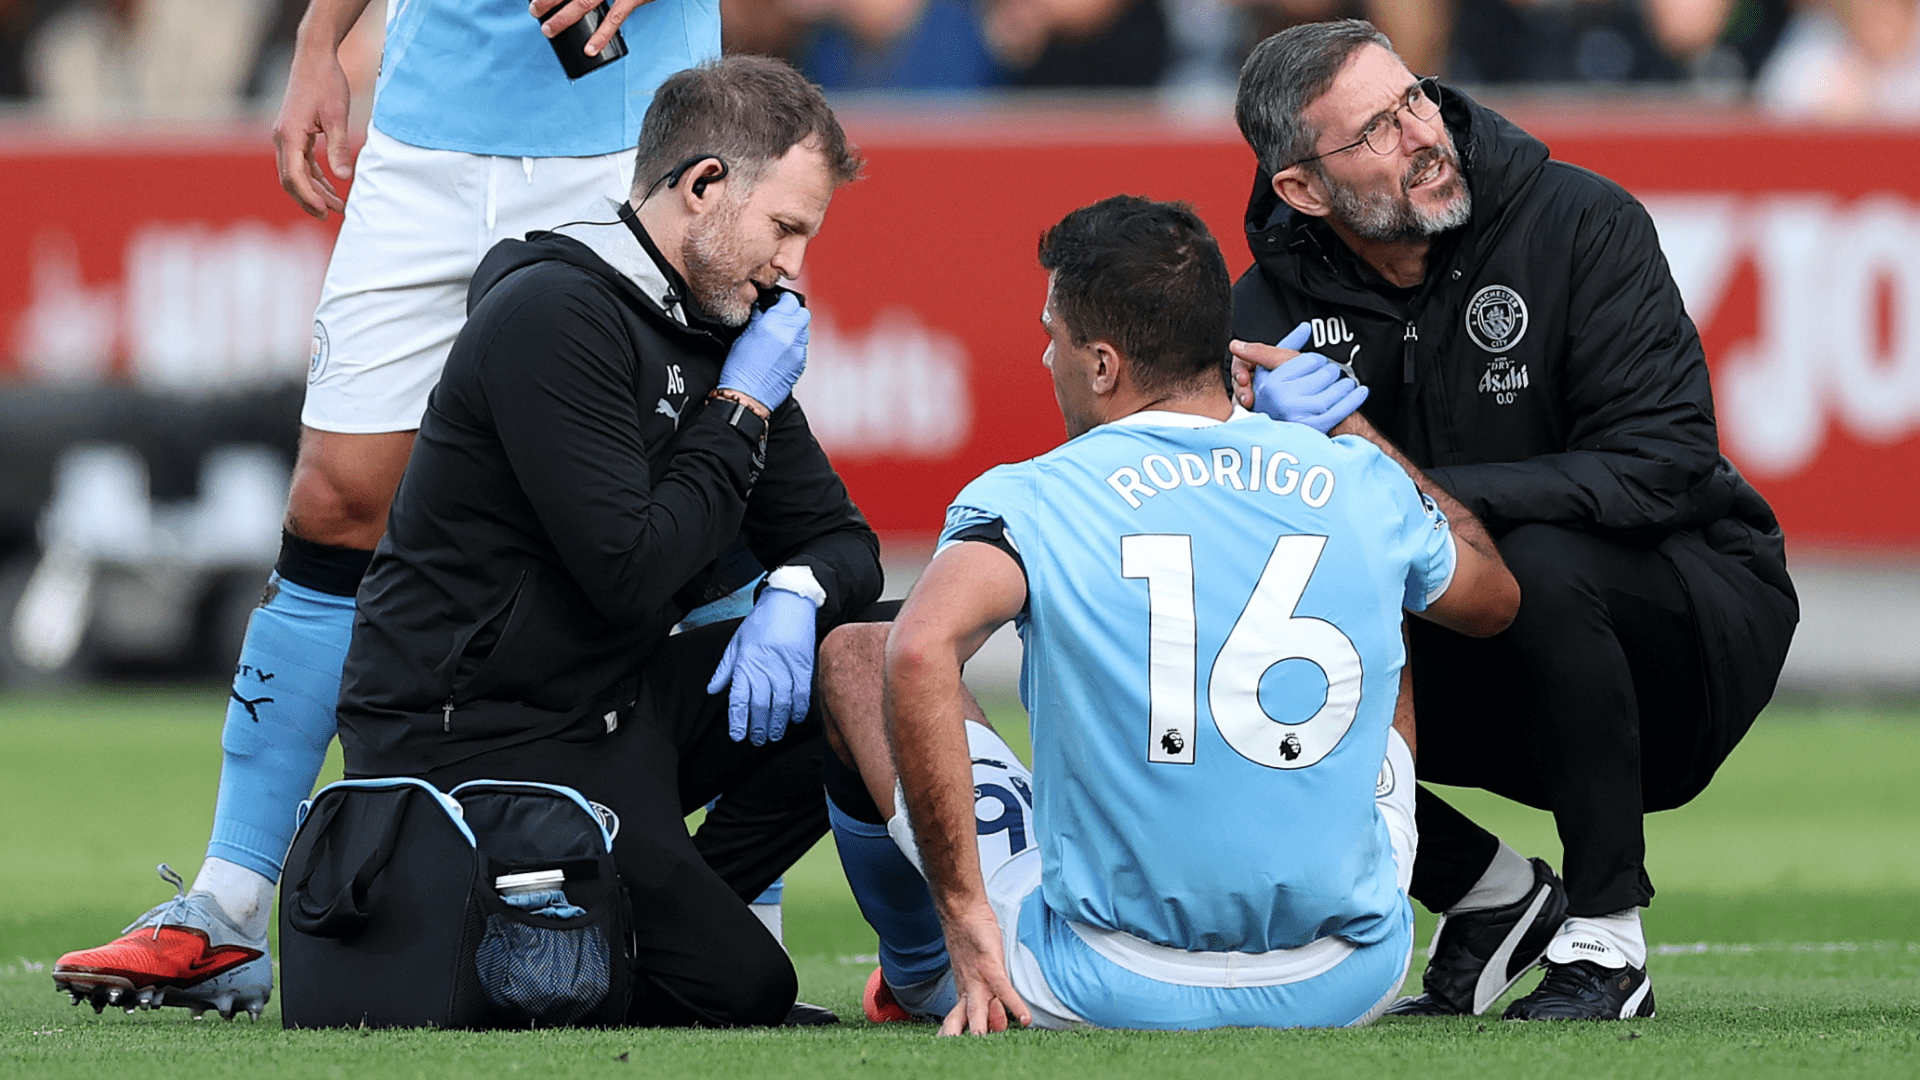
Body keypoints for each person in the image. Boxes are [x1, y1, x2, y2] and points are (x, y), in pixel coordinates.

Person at [52, 0, 725, 1018]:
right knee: (334, 500)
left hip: (633, 131)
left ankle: (738, 905)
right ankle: (230, 907)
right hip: (429, 129)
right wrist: (319, 43)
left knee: (663, 499)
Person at [811, 195, 1520, 1033]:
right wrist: (1353, 433)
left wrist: (964, 911)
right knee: (1383, 579)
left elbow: (920, 651)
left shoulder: (1037, 493)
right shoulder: (1354, 477)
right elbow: (1494, 602)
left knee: (860, 651)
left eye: (1054, 335)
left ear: (1104, 365)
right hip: (1344, 975)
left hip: (1104, 977)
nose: (1046, 358)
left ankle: (929, 971)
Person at [1229, 19, 1797, 1020]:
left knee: (1533, 558)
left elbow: (1663, 469)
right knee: (1234, 641)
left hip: (1690, 626)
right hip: (1473, 650)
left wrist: (1388, 470)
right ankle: (1488, 895)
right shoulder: (1265, 311)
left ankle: (1610, 941)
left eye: (1413, 100)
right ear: (1302, 190)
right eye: (1374, 131)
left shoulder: (1580, 221)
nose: (1420, 135)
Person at [326, 56, 878, 1026]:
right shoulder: (555, 313)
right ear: (703, 185)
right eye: (785, 228)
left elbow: (842, 541)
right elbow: (630, 571)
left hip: (607, 705)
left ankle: (641, 913)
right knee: (750, 990)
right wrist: (743, 404)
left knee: (865, 658)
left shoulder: (723, 316)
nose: (794, 265)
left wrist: (793, 595)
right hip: (479, 735)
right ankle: (632, 924)